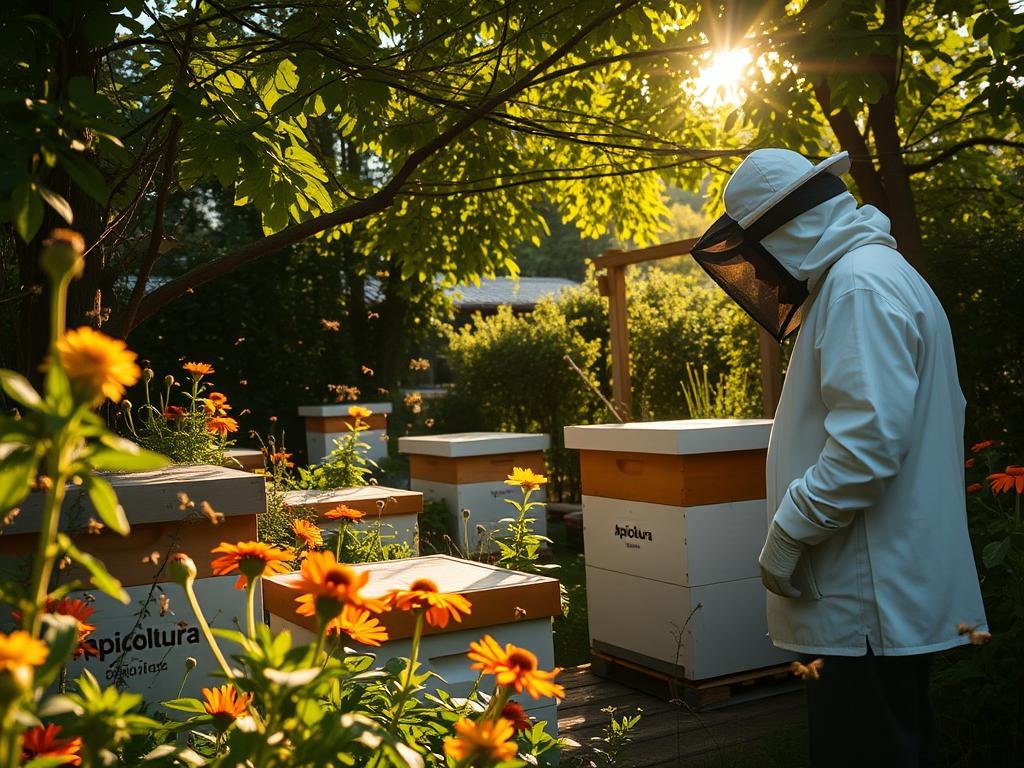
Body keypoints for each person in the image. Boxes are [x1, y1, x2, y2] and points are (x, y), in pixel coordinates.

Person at [690, 148, 988, 767]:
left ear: (783, 232)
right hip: (876, 595)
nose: (764, 273)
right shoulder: (875, 275)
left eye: (759, 251)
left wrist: (789, 532)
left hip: (865, 603)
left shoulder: (858, 286)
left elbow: (866, 446)